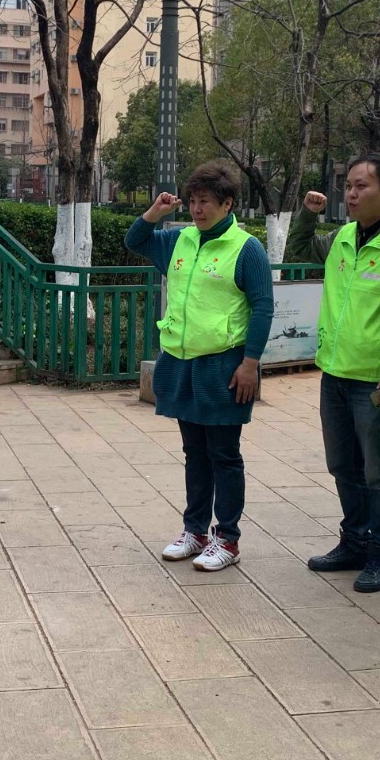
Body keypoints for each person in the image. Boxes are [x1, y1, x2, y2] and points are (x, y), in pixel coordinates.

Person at [285, 155, 380, 593]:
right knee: (343, 465)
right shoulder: (342, 237)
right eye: (348, 185)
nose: (350, 194)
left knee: (378, 471)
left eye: (361, 186)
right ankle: (354, 542)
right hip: (335, 370)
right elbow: (297, 252)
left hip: (376, 377)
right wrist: (307, 215)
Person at [125, 162, 274, 570]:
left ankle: (227, 539)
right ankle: (195, 531)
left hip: (224, 364)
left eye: (205, 202)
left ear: (227, 203)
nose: (196, 209)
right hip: (181, 362)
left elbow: (263, 308)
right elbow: (135, 240)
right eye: (192, 201)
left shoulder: (247, 249)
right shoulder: (180, 240)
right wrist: (155, 211)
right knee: (194, 453)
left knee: (223, 454)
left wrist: (250, 364)